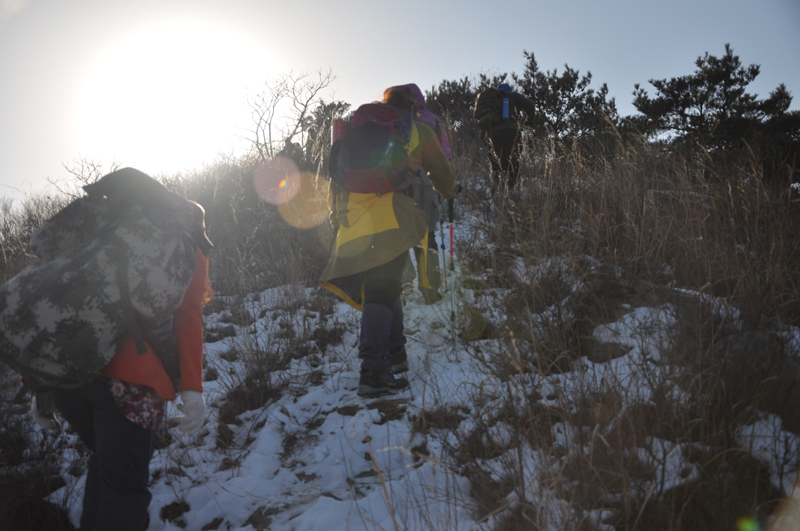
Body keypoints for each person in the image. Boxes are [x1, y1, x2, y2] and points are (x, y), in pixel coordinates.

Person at [31, 221, 211, 531]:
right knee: (124, 489)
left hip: (66, 379)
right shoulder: (182, 239)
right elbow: (188, 312)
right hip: (129, 385)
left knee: (107, 466)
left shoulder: (96, 238)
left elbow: (47, 309)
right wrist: (192, 389)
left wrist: (38, 386)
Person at [320, 85, 457, 396]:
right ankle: (373, 371)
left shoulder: (357, 128)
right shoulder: (418, 130)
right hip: (391, 216)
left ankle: (395, 353)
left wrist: (335, 216)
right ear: (414, 107)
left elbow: (335, 178)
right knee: (383, 288)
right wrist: (451, 192)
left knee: (386, 284)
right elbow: (442, 174)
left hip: (353, 219)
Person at [403, 83, 451, 305]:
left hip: (395, 184)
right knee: (426, 233)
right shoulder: (430, 119)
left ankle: (403, 282)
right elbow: (443, 152)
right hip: (423, 180)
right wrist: (447, 183)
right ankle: (430, 286)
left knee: (402, 233)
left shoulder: (389, 121)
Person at [479, 83, 537, 193]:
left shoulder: (493, 99)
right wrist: (529, 121)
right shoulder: (513, 96)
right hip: (512, 132)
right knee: (513, 163)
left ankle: (494, 194)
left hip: (494, 133)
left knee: (495, 164)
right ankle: (513, 193)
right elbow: (530, 105)